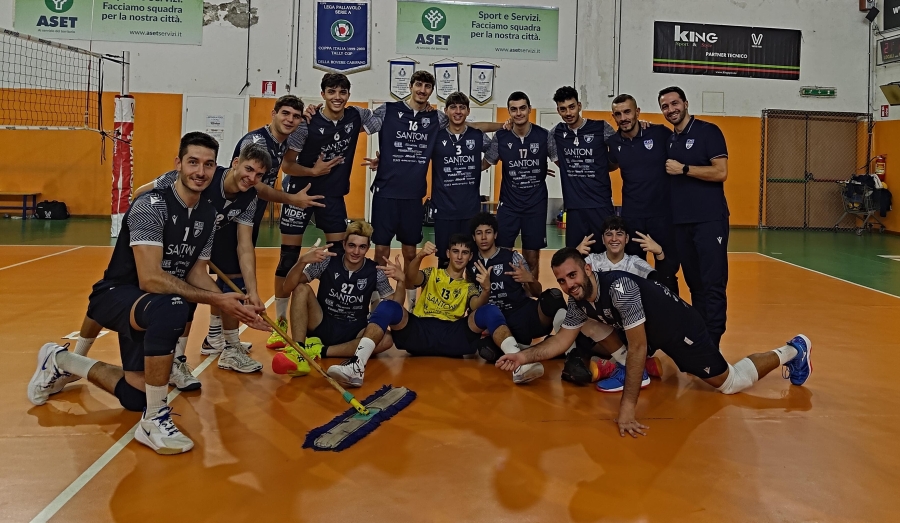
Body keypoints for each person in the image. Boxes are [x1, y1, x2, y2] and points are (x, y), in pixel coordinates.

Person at [27, 132, 267, 455]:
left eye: (208, 164)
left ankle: (61, 359)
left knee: (134, 395)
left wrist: (235, 306)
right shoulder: (151, 206)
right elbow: (151, 278)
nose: (200, 171)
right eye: (193, 162)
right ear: (178, 163)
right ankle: (154, 418)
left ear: (215, 168)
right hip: (117, 294)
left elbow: (197, 272)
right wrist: (217, 299)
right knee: (175, 305)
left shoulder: (209, 215)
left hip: (151, 305)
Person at [495, 248, 812, 438]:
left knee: (731, 382)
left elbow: (638, 347)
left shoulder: (619, 289)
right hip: (651, 331)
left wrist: (627, 410)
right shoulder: (579, 302)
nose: (569, 285)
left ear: (587, 269)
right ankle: (642, 369)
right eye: (562, 280)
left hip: (682, 330)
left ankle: (794, 349)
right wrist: (522, 357)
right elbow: (561, 341)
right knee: (584, 324)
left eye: (573, 276)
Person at [326, 236, 544, 387]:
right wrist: (420, 256)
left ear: (470, 256)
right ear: (448, 253)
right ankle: (356, 366)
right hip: (420, 331)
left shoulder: (469, 286)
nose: (459, 257)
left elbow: (476, 306)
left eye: (465, 253)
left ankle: (518, 365)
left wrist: (486, 289)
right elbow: (412, 278)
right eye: (455, 251)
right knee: (388, 306)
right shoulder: (432, 274)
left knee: (489, 310)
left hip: (452, 336)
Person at [364, 71, 502, 308]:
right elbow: (363, 124)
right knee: (381, 251)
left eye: (427, 86)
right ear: (410, 86)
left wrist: (505, 126)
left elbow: (471, 127)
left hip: (414, 196)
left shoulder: (436, 118)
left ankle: (411, 303)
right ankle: (376, 301)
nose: (422, 90)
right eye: (418, 85)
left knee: (411, 252)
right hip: (386, 193)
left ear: (431, 91)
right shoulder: (388, 110)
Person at [133, 143, 273, 378]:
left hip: (212, 238)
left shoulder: (250, 197)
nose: (252, 178)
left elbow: (245, 245)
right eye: (248, 169)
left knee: (234, 284)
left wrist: (253, 291)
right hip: (180, 239)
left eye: (259, 175)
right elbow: (140, 193)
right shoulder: (204, 178)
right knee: (186, 295)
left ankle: (228, 346)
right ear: (236, 163)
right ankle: (177, 358)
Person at [269, 74, 382, 349]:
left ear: (349, 94)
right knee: (288, 257)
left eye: (343, 92)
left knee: (339, 253)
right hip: (300, 192)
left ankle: (333, 312)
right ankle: (280, 322)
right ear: (322, 94)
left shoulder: (355, 116)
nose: (337, 97)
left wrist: (385, 158)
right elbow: (287, 165)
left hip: (332, 195)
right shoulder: (306, 124)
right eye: (332, 91)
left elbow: (388, 119)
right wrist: (313, 171)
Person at [270, 220, 397, 377]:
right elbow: (287, 287)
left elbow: (394, 305)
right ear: (344, 244)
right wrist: (302, 261)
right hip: (322, 322)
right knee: (301, 288)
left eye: (362, 247)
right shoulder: (327, 261)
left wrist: (401, 281)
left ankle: (320, 350)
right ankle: (298, 350)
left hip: (354, 329)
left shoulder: (375, 271)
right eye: (352, 245)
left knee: (386, 340)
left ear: (367, 248)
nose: (356, 251)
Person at [658, 86, 730, 348]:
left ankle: (714, 342)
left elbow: (720, 172)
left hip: (709, 220)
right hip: (682, 223)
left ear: (686, 103)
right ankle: (702, 338)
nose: (671, 110)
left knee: (713, 283)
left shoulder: (708, 131)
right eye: (665, 106)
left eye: (675, 103)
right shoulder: (670, 140)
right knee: (695, 284)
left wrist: (685, 169)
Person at [572, 216, 676, 391]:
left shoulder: (636, 264)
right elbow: (570, 286)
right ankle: (639, 364)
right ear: (603, 239)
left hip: (630, 331)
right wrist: (575, 256)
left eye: (619, 234)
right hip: (603, 327)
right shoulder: (591, 262)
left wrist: (659, 254)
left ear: (626, 239)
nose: (614, 239)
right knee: (575, 325)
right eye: (609, 234)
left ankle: (614, 367)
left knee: (583, 347)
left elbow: (663, 288)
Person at [468, 212, 568, 361]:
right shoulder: (471, 263)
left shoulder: (512, 257)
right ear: (473, 237)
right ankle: (532, 348)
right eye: (479, 233)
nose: (483, 237)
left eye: (488, 232)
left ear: (495, 235)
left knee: (553, 296)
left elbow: (538, 292)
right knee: (486, 350)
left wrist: (530, 279)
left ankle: (568, 345)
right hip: (500, 322)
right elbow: (473, 303)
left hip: (523, 312)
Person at [606, 94, 679, 288]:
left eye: (627, 112)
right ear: (613, 117)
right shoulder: (613, 142)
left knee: (667, 269)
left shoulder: (659, 133)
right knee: (634, 269)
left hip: (662, 214)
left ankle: (669, 306)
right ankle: (639, 307)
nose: (623, 118)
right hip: (633, 217)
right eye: (618, 114)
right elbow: (609, 164)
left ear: (637, 112)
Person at [483, 91, 551, 280]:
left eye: (522, 108)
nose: (518, 113)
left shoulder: (544, 136)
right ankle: (506, 292)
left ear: (529, 109)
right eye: (514, 109)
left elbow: (562, 160)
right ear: (509, 112)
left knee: (532, 256)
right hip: (509, 205)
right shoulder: (501, 137)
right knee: (502, 253)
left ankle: (531, 294)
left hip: (535, 205)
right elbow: (485, 163)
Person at [550, 86, 618, 249]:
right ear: (558, 111)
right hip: (574, 207)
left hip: (601, 204)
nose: (568, 113)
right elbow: (561, 163)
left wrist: (599, 167)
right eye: (563, 109)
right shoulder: (555, 133)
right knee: (575, 255)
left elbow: (620, 152)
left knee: (605, 253)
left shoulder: (601, 127)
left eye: (572, 107)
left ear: (579, 106)